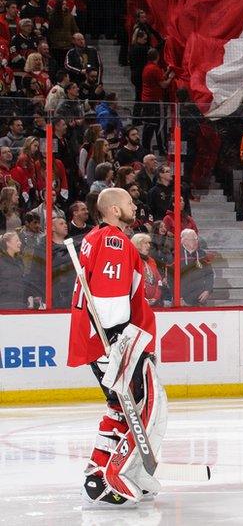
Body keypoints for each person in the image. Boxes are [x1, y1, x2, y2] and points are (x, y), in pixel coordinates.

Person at [67, 188, 164, 506]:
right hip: (115, 338)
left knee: (121, 406)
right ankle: (108, 476)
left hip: (105, 338)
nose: (134, 205)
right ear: (112, 210)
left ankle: (103, 473)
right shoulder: (113, 240)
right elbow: (109, 304)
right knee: (137, 408)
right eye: (128, 202)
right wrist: (118, 342)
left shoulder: (96, 237)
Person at [178, 229, 213, 306]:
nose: (196, 241)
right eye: (193, 239)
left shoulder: (202, 254)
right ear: (184, 241)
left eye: (196, 239)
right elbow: (171, 277)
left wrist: (207, 290)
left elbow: (209, 274)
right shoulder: (176, 254)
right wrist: (178, 298)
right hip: (182, 299)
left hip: (200, 298)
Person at [131, 232, 164, 307]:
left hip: (154, 303)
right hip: (137, 304)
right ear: (137, 245)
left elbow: (158, 281)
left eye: (148, 243)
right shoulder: (131, 260)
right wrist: (143, 299)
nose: (148, 246)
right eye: (145, 243)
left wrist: (155, 297)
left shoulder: (151, 261)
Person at [0, 231, 28, 309]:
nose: (20, 243)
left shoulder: (19, 260)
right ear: (8, 243)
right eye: (17, 241)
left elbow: (22, 281)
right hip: (4, 305)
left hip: (20, 303)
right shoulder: (1, 261)